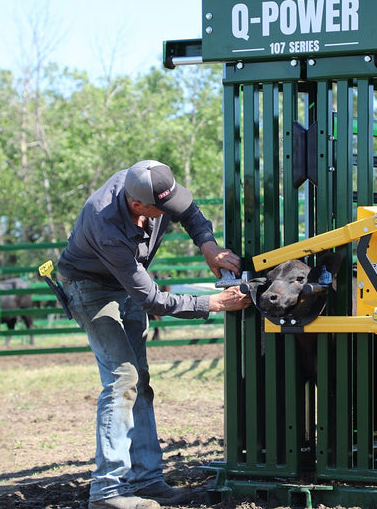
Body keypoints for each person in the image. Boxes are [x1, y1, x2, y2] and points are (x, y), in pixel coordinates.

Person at [57, 160, 251, 509]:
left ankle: (146, 479)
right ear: (137, 206)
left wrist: (207, 244)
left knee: (139, 381)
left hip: (125, 279)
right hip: (90, 287)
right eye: (160, 210)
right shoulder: (106, 224)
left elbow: (189, 212)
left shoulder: (150, 183)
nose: (167, 213)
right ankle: (107, 492)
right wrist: (214, 303)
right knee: (122, 380)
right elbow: (152, 300)